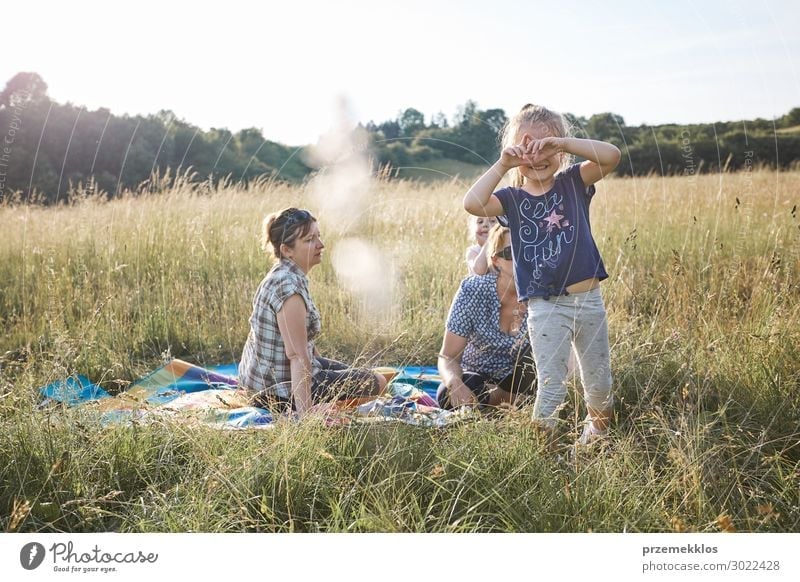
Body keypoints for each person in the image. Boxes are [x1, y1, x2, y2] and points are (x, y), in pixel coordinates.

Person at [463, 103, 621, 444]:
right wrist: (504, 164)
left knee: (600, 385)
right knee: (550, 387)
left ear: (560, 150)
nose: (536, 155)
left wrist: (564, 143)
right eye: (527, 146)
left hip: (589, 301)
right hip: (546, 307)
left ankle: (594, 442)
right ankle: (543, 456)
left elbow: (611, 156)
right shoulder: (512, 198)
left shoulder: (573, 181)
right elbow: (473, 203)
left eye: (546, 145)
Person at [238, 207, 386, 417]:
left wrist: (326, 371)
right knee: (377, 382)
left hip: (265, 381)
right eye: (309, 240)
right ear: (287, 250)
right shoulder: (288, 289)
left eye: (319, 236)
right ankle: (319, 408)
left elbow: (305, 344)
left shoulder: (287, 274)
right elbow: (297, 356)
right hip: (275, 391)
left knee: (362, 374)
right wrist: (307, 413)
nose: (320, 245)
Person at [437, 224, 537, 410]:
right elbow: (448, 356)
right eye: (511, 252)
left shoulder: (544, 295)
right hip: (477, 375)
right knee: (447, 394)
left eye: (528, 249)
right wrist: (454, 383)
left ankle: (506, 402)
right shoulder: (473, 290)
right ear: (496, 260)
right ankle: (513, 402)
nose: (521, 257)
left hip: (522, 378)